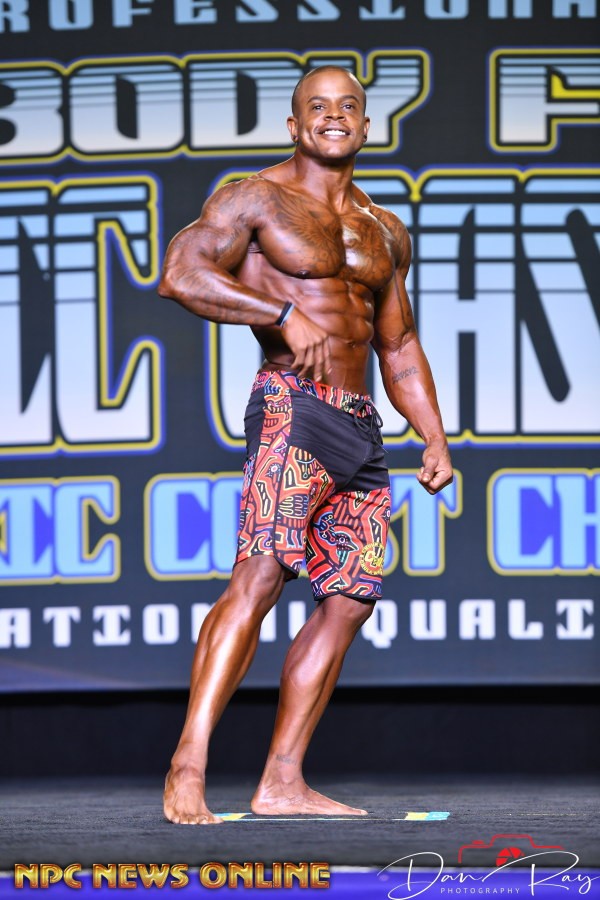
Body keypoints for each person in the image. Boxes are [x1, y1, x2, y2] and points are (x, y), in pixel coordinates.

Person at [158, 65, 452, 825]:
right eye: (317, 107)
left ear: (366, 124)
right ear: (294, 125)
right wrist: (280, 313)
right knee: (259, 576)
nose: (333, 116)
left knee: (349, 601)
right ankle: (188, 765)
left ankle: (282, 780)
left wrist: (434, 435)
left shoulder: (384, 229)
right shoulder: (253, 198)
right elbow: (180, 273)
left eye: (348, 106)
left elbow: (399, 344)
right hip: (293, 406)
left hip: (360, 426)